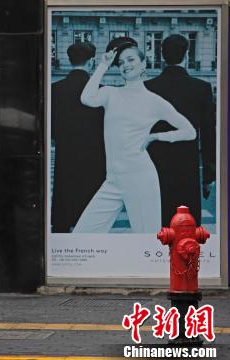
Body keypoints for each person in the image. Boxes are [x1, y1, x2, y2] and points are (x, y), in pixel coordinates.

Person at [73, 42, 196, 233]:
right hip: (113, 179)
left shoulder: (154, 101)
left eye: (131, 60)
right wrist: (103, 65)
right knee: (82, 234)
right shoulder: (110, 93)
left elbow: (189, 132)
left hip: (140, 178)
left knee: (147, 241)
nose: (125, 65)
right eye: (121, 62)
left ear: (143, 64)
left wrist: (155, 136)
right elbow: (86, 98)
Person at [145, 34, 216, 226]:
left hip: (155, 167)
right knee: (186, 228)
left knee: (158, 223)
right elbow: (209, 134)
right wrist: (209, 175)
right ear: (186, 54)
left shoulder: (148, 88)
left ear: (161, 55)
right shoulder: (201, 88)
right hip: (187, 166)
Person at [51, 42, 105, 233]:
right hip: (95, 154)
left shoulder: (55, 89)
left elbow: (51, 126)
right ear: (91, 62)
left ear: (69, 60)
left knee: (64, 199)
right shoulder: (101, 90)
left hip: (66, 153)